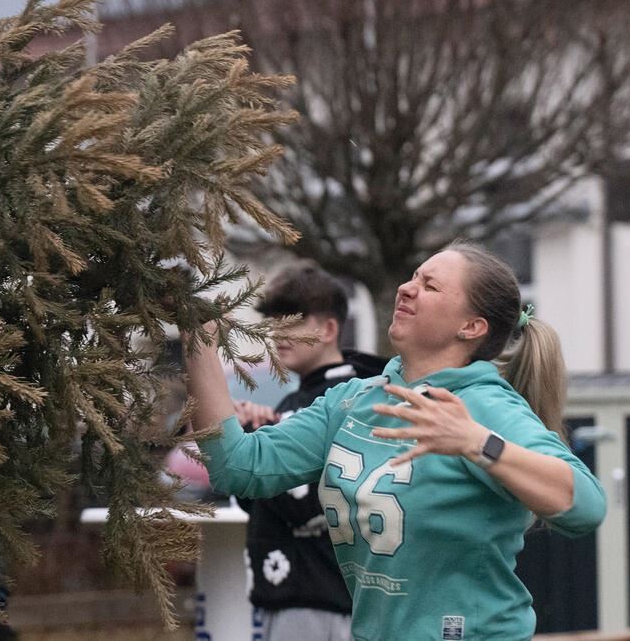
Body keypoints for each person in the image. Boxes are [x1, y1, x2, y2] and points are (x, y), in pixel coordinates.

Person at [184, 241, 606, 641]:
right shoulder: (352, 400)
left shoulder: (486, 406)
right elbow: (237, 466)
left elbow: (586, 506)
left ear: (471, 327)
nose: (407, 288)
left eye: (430, 285)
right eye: (414, 277)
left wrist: (476, 442)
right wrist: (197, 341)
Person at [234, 264, 384, 641]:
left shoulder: (352, 400)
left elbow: (309, 506)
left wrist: (258, 439)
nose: (277, 334)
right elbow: (254, 500)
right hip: (295, 592)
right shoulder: (295, 400)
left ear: (329, 329)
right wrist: (251, 440)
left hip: (324, 600)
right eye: (274, 323)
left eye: (292, 323)